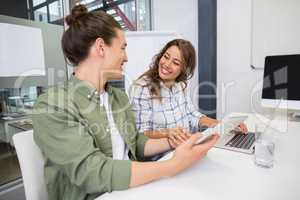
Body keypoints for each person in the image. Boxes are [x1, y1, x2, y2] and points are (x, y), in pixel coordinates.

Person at [32, 5, 219, 200]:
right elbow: (93, 173)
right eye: (122, 48)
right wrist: (172, 166)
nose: (126, 57)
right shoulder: (52, 105)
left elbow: (136, 142)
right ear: (101, 47)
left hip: (130, 190)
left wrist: (174, 141)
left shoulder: (117, 98)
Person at [129, 39, 247, 142]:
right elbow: (141, 134)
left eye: (175, 63)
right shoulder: (142, 88)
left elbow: (192, 116)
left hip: (185, 148)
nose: (166, 64)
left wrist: (224, 125)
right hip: (161, 158)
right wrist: (167, 133)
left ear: (183, 69)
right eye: (166, 56)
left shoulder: (180, 85)